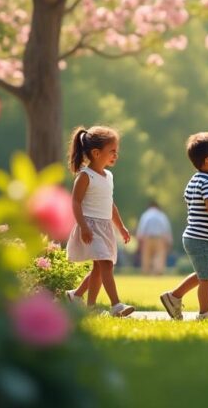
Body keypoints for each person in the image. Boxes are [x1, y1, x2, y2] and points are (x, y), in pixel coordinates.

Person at [159, 133, 208, 322]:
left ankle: (174, 297)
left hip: (196, 236)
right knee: (207, 279)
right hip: (204, 238)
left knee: (204, 274)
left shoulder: (195, 180)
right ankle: (204, 313)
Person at [63, 126, 135, 317]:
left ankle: (79, 297)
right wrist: (83, 227)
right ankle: (116, 305)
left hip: (105, 227)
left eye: (116, 151)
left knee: (99, 267)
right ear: (96, 153)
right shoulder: (86, 176)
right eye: (112, 151)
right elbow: (75, 202)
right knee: (105, 265)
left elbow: (110, 204)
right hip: (90, 226)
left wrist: (121, 227)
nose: (116, 155)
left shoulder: (108, 176)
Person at [136, 200, 172, 275]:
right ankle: (157, 273)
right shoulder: (161, 215)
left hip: (147, 238)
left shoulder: (146, 215)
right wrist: (169, 241)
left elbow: (142, 229)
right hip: (159, 239)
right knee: (159, 256)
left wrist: (139, 241)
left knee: (146, 257)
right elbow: (166, 229)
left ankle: (146, 273)